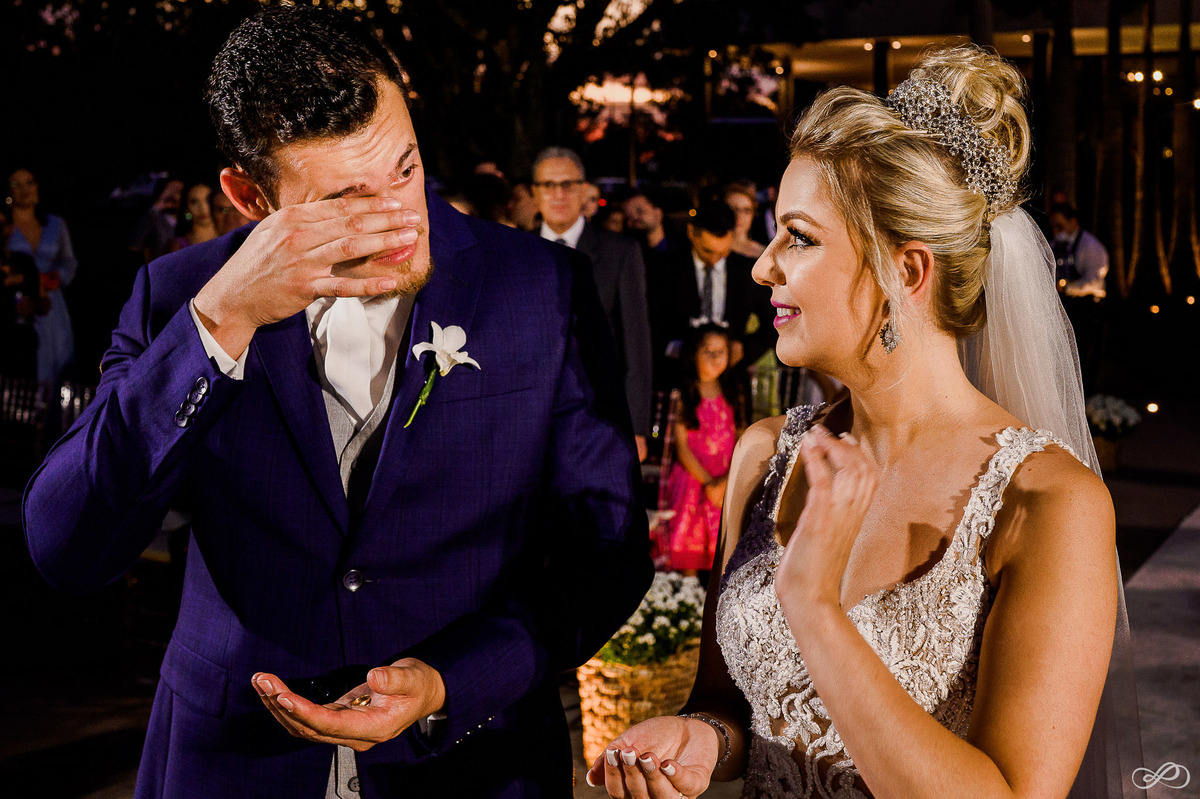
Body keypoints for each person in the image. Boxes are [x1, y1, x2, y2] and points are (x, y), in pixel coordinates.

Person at [23, 6, 652, 798]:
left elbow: (607, 555)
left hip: (472, 765)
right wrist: (221, 324)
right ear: (251, 197)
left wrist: (450, 680)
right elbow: (66, 547)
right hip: (232, 765)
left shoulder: (542, 288)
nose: (401, 220)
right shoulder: (179, 299)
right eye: (350, 199)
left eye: (406, 167)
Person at [588, 45, 1141, 799]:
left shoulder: (1047, 505)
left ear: (905, 271)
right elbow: (733, 705)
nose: (763, 265)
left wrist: (816, 608)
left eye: (801, 237)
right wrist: (703, 736)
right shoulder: (763, 457)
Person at [533, 146, 653, 462]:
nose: (558, 193)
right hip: (532, 413)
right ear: (535, 193)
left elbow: (636, 343)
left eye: (568, 184)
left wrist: (637, 424)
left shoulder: (620, 253)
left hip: (598, 412)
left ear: (584, 190)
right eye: (548, 185)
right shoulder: (516, 251)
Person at [646, 199, 774, 391]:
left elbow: (773, 323)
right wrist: (679, 350)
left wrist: (744, 349)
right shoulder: (664, 269)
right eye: (707, 251)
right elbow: (646, 323)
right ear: (692, 233)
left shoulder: (747, 272)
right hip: (675, 380)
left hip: (731, 384)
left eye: (722, 253)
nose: (714, 260)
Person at [661, 323, 743, 576]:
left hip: (725, 483)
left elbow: (743, 436)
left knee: (721, 551)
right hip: (693, 482)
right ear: (693, 354)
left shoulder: (733, 392)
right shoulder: (685, 394)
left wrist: (724, 483)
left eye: (722, 351)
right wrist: (709, 483)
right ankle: (687, 601)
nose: (716, 358)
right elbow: (682, 447)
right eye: (708, 351)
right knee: (690, 545)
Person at [5, 167, 77, 383]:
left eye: (28, 182)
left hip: (52, 303)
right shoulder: (5, 227)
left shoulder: (55, 224)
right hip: (17, 304)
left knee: (59, 365)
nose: (24, 189)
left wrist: (52, 279)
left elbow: (69, 261)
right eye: (16, 184)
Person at [1049, 203, 1108, 393]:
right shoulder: (1057, 243)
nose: (1056, 231)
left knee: (1083, 357)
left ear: (1073, 221)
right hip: (1067, 308)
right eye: (1054, 226)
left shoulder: (1091, 247)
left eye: (1060, 225)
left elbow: (1094, 283)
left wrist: (1066, 287)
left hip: (1088, 309)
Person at [130, 175, 184, 263]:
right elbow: (134, 245)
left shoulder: (188, 220)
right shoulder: (154, 219)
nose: (175, 196)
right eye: (171, 191)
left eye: (179, 191)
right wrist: (157, 206)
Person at [722, 180, 766, 259]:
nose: (739, 216)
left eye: (746, 211)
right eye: (733, 209)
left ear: (753, 214)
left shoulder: (764, 253)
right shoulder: (713, 250)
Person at [170, 182, 219, 251]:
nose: (202, 208)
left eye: (207, 200)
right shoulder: (178, 245)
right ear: (186, 206)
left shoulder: (230, 237)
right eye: (194, 202)